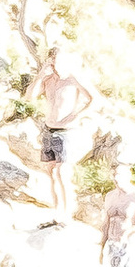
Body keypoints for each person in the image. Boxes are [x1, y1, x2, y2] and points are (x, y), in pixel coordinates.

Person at [31, 45, 94, 229]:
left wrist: (76, 115)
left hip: (66, 131)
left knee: (61, 172)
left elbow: (94, 99)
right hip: (49, 129)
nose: (56, 63)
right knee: (51, 173)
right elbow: (30, 97)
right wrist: (40, 76)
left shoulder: (73, 79)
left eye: (58, 60)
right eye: (53, 60)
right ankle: (58, 214)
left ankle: (67, 215)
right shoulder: (49, 80)